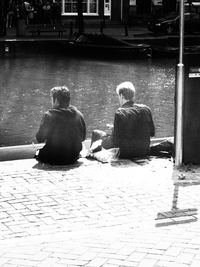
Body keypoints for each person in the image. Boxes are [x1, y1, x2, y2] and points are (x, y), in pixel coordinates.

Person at [91, 81, 155, 159]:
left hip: (125, 154)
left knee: (97, 133)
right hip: (144, 152)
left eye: (118, 96)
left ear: (121, 95)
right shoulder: (146, 109)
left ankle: (92, 156)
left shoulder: (120, 112)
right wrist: (115, 128)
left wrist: (111, 134)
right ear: (133, 95)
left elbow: (115, 142)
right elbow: (152, 133)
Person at [35, 86, 86, 165]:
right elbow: (83, 138)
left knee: (38, 152)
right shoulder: (78, 114)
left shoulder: (49, 115)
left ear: (57, 101)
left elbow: (40, 138)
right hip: (73, 156)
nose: (51, 102)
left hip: (53, 157)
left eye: (52, 99)